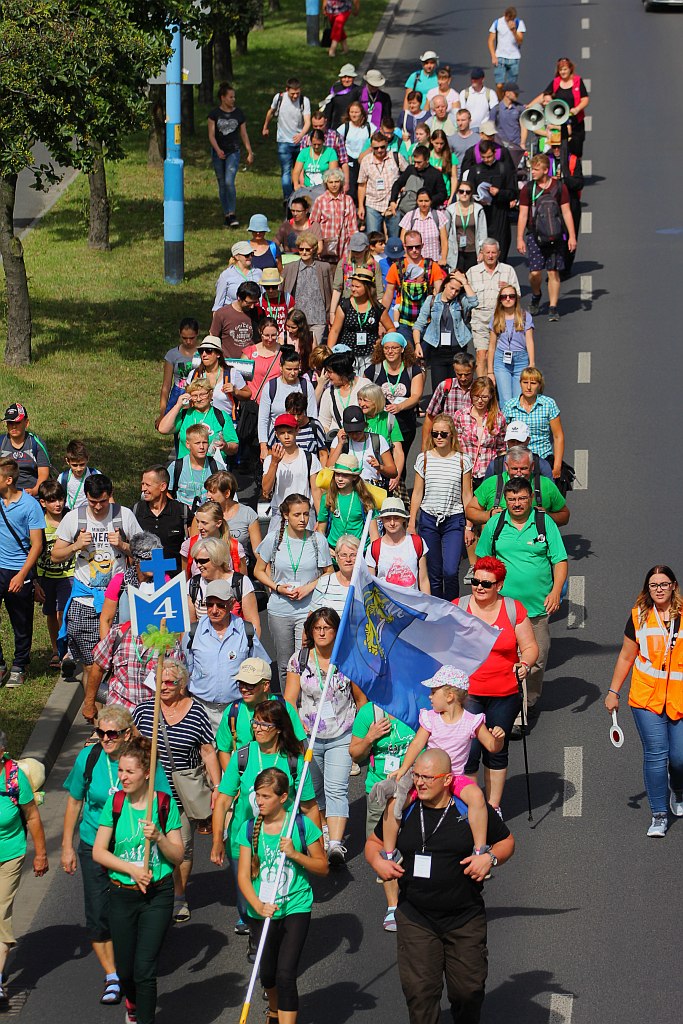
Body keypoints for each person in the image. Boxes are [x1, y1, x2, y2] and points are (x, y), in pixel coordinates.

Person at [365, 748, 514, 1024]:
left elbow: (507, 842)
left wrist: (490, 859)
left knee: (468, 992)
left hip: (464, 917)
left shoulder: (467, 808)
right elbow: (373, 845)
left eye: (427, 778)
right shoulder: (404, 808)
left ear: (447, 780)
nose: (419, 782)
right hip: (416, 917)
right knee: (420, 994)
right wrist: (378, 863)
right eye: (417, 776)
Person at [61, 707, 171, 1005]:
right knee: (98, 912)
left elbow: (162, 802)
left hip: (129, 844)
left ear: (126, 734)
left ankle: (134, 958)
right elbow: (74, 802)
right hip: (94, 843)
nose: (105, 738)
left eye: (112, 733)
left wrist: (160, 840)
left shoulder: (145, 761)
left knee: (130, 906)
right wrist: (67, 846)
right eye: (100, 732)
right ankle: (112, 975)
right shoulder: (89, 757)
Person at [92, 736, 184, 1024]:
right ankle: (132, 1003)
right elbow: (99, 852)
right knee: (127, 970)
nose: (123, 777)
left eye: (129, 772)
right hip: (122, 894)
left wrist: (158, 837)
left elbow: (178, 855)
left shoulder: (163, 804)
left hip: (157, 895)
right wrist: (131, 870)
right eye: (121, 771)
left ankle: (145, 1019)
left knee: (145, 969)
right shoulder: (116, 803)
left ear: (147, 773)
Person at [210, 701, 320, 937]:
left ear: (279, 728)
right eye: (255, 722)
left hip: (283, 843)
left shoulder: (294, 761)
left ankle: (276, 937)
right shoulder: (242, 757)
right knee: (247, 897)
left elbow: (309, 807)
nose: (257, 727)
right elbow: (222, 801)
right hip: (246, 840)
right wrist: (218, 839)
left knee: (282, 892)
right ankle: (256, 932)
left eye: (264, 723)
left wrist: (315, 848)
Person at [381, 666, 504, 863]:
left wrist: (498, 739)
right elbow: (416, 744)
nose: (429, 697)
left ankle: (480, 849)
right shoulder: (430, 718)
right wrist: (404, 770)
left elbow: (491, 745)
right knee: (394, 803)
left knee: (477, 797)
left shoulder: (472, 721)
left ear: (449, 696)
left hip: (455, 777)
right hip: (427, 777)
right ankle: (389, 854)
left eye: (433, 692)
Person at [237, 766, 328, 1022]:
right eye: (258, 795)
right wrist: (258, 904)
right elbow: (243, 876)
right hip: (261, 910)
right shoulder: (248, 828)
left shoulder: (301, 825)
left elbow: (323, 867)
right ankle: (274, 1012)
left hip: (295, 907)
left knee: (286, 974)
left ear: (283, 797)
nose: (260, 801)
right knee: (268, 974)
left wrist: (296, 855)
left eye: (266, 796)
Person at [476, 477, 568, 727]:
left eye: (522, 498)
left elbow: (559, 560)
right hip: (502, 608)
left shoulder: (544, 522)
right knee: (505, 658)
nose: (517, 503)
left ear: (530, 499)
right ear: (506, 500)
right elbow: (482, 561)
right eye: (512, 499)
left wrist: (556, 591)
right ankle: (515, 709)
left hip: (536, 609)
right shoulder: (495, 523)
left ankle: (530, 701)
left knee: (536, 659)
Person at [133, 660, 221, 921]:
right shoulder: (142, 712)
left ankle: (179, 895)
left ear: (182, 685)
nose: (164, 687)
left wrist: (217, 787)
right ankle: (147, 890)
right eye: (160, 681)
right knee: (143, 843)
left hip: (182, 796)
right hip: (149, 794)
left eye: (170, 682)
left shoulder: (196, 713)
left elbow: (208, 752)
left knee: (182, 848)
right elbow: (134, 748)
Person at [605, 565, 683, 838]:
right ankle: (659, 814)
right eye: (654, 585)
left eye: (664, 584)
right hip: (646, 697)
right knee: (656, 754)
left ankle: (679, 787)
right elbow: (627, 657)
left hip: (679, 698)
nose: (659, 589)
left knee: (680, 758)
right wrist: (613, 692)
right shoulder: (639, 616)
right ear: (647, 588)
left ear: (674, 586)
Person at [456, 556, 538, 813]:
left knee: (496, 748)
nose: (479, 587)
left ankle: (492, 807)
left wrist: (524, 665)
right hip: (468, 694)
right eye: (475, 581)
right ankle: (471, 805)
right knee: (468, 751)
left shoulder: (513, 610)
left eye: (486, 584)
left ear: (499, 586)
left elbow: (530, 647)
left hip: (504, 694)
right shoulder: (458, 607)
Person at [285, 607, 365, 866]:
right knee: (315, 792)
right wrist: (298, 735)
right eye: (317, 628)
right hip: (309, 736)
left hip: (342, 732)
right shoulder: (298, 659)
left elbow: (361, 700)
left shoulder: (348, 659)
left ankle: (335, 846)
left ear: (336, 631)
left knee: (336, 789)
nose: (321, 632)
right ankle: (323, 833)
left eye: (327, 628)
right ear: (310, 631)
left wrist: (363, 735)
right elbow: (289, 701)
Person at [51, 474, 141, 691]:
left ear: (110, 495)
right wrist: (75, 546)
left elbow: (145, 553)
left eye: (103, 501)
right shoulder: (74, 518)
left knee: (118, 664)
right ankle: (95, 716)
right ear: (86, 498)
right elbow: (55, 555)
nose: (98, 507)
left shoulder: (124, 515)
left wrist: (124, 545)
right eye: (93, 502)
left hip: (119, 601)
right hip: (85, 601)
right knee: (91, 666)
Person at [349, 700, 416, 931]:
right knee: (384, 851)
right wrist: (370, 738)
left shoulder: (415, 707)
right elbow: (355, 754)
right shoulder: (369, 712)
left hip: (413, 791)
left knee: (414, 847)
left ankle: (415, 898)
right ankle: (393, 906)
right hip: (379, 791)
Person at [255, 494, 333, 686]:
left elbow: (328, 572)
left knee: (303, 661)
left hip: (308, 609)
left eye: (306, 514)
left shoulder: (317, 540)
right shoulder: (274, 539)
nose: (302, 519)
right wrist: (277, 587)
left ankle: (303, 707)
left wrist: (308, 588)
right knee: (284, 664)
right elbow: (258, 570)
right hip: (280, 610)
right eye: (297, 514)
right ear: (286, 515)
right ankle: (289, 709)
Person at [182, 578, 269, 732]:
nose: (214, 610)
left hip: (238, 708)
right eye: (209, 604)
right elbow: (184, 672)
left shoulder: (246, 631)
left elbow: (263, 669)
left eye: (220, 605)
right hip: (201, 709)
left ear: (231, 604)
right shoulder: (193, 633)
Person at [0, 732, 49, 1007]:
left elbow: (31, 816)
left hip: (9, 854)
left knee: (0, 912)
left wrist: (41, 854)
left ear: (2, 751)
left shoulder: (14, 778)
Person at [409, 414, 472, 600]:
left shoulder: (463, 460)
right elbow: (417, 493)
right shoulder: (424, 459)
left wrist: (469, 525)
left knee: (451, 571)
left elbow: (467, 495)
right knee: (434, 573)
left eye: (443, 434)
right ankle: (438, 611)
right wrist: (412, 522)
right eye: (435, 433)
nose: (438, 437)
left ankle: (452, 607)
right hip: (429, 520)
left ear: (451, 435)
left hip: (454, 520)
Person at [215, 657, 306, 770]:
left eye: (250, 684)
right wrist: (234, 780)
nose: (243, 689)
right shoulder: (232, 711)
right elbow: (224, 750)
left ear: (266, 685)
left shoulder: (284, 708)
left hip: (280, 778)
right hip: (246, 783)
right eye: (241, 683)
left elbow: (298, 745)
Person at [517, 153, 577, 321]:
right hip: (535, 236)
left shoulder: (559, 187)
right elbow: (522, 215)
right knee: (535, 273)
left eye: (536, 169)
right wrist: (520, 238)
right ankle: (536, 294)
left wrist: (572, 236)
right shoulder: (528, 189)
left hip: (555, 235)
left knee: (553, 272)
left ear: (545, 170)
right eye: (531, 169)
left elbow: (566, 211)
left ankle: (552, 307)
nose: (532, 172)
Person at [467, 445, 569, 528]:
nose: (519, 473)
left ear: (532, 466)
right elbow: (470, 511)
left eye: (524, 468)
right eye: (515, 469)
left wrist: (546, 516)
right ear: (506, 466)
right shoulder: (491, 483)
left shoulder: (545, 484)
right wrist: (489, 515)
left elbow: (564, 515)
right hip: (499, 549)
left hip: (535, 549)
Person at [366, 332, 424, 472]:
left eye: (394, 348)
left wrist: (400, 407)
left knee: (400, 462)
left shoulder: (412, 370)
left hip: (404, 423)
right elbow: (365, 393)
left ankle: (399, 487)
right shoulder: (374, 370)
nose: (390, 351)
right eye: (386, 348)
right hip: (382, 423)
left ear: (402, 349)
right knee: (379, 461)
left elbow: (416, 395)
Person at [412, 270, 478, 387]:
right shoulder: (431, 300)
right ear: (445, 284)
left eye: (457, 290)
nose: (453, 293)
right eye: (451, 288)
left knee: (457, 386)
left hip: (457, 349)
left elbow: (474, 302)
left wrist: (464, 281)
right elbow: (419, 324)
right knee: (439, 388)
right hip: (438, 350)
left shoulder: (460, 300)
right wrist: (417, 344)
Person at [467, 237, 520, 378]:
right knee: (481, 355)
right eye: (487, 252)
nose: (490, 256)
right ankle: (483, 388)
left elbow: (518, 296)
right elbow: (466, 298)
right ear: (482, 253)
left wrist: (508, 289)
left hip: (501, 319)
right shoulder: (472, 272)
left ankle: (498, 385)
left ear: (499, 253)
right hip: (480, 320)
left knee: (499, 356)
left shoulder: (508, 271)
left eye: (493, 253)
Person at [36, 479, 74, 671]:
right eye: (52, 501)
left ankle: (66, 649)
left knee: (63, 612)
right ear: (43, 502)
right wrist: (35, 581)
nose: (57, 504)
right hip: (46, 575)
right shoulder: (38, 522)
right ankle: (55, 649)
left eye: (60, 499)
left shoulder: (70, 517)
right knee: (50, 613)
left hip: (69, 574)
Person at [382, 231, 447, 344]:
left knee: (426, 358)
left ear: (422, 245)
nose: (414, 250)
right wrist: (381, 320)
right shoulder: (396, 267)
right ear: (405, 246)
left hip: (427, 321)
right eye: (410, 247)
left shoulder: (432, 266)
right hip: (404, 321)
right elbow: (388, 295)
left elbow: (441, 294)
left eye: (417, 246)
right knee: (408, 356)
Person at [262, 414, 322, 534]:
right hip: (279, 514)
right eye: (282, 433)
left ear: (297, 431)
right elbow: (266, 490)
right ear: (276, 434)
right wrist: (274, 463)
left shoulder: (309, 457)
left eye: (289, 432)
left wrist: (320, 519)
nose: (286, 436)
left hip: (304, 515)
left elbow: (316, 490)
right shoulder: (270, 460)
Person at [501, 367, 565, 480]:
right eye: (525, 382)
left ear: (539, 385)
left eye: (533, 383)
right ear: (520, 383)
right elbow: (503, 435)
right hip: (518, 462)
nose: (529, 387)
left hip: (542, 459)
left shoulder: (548, 404)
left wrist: (557, 466)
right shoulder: (509, 406)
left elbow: (558, 436)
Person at [188, 537, 259, 636]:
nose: (198, 565)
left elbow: (253, 625)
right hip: (203, 646)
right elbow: (190, 627)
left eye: (203, 561)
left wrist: (250, 648)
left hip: (236, 644)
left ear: (217, 559)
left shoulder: (240, 582)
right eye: (196, 561)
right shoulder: (193, 584)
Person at [327, 268, 394, 371]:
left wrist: (382, 341)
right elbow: (335, 331)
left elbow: (391, 329)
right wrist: (330, 354)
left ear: (367, 287)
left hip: (370, 355)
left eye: (357, 286)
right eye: (352, 286)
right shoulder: (345, 305)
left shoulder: (377, 307)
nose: (353, 289)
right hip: (347, 354)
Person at [208, 82, 254, 228]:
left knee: (229, 181)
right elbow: (211, 135)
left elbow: (244, 134)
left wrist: (249, 151)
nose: (233, 99)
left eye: (234, 97)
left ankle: (232, 213)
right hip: (218, 152)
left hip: (233, 151)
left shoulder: (239, 114)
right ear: (223, 98)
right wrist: (217, 150)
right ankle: (226, 213)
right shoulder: (214, 114)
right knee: (222, 183)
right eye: (230, 97)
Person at [258, 347, 318, 459]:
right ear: (281, 367)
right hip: (277, 440)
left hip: (302, 440)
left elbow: (312, 415)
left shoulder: (306, 385)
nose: (292, 373)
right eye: (289, 369)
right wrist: (263, 446)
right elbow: (263, 419)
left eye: (296, 369)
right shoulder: (271, 387)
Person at [315, 454, 380, 554]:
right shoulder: (327, 497)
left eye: (345, 475)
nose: (340, 479)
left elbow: (374, 535)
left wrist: (372, 558)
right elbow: (321, 529)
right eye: (337, 474)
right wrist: (326, 549)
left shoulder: (365, 498)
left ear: (354, 477)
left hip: (359, 552)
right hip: (334, 551)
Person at [463, 140, 517, 258]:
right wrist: (477, 198)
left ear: (494, 153)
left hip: (500, 212)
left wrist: (499, 192)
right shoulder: (475, 170)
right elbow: (468, 191)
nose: (487, 160)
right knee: (482, 246)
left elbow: (513, 192)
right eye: (484, 157)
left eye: (489, 156)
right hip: (482, 212)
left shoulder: (504, 168)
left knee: (501, 246)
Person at [158, 380, 238, 459]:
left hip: (212, 468)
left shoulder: (221, 416)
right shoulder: (185, 414)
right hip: (186, 468)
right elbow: (163, 429)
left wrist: (226, 446)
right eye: (194, 396)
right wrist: (178, 405)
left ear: (210, 394)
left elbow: (234, 447)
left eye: (202, 395)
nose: (199, 399)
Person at [263, 78, 312, 203]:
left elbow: (308, 121)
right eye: (292, 94)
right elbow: (271, 112)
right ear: (286, 90)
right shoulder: (279, 98)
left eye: (297, 93)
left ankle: (300, 196)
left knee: (301, 171)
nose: (295, 96)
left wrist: (301, 135)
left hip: (299, 142)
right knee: (286, 171)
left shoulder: (304, 101)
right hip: (284, 141)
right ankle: (288, 198)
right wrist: (265, 126)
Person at [134, 465, 191, 573]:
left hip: (174, 580)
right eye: (142, 484)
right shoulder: (136, 510)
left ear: (163, 486)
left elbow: (193, 545)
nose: (143, 489)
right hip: (144, 581)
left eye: (147, 485)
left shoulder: (182, 511)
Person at [529, 57, 590, 157]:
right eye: (561, 70)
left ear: (570, 69)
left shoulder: (577, 81)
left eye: (565, 69)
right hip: (560, 121)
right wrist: (529, 105)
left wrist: (577, 109)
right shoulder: (556, 82)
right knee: (561, 148)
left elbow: (585, 99)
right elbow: (544, 95)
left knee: (576, 150)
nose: (563, 72)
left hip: (575, 121)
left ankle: (575, 169)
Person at [453, 377, 506, 490]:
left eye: (484, 397)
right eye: (476, 396)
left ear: (491, 396)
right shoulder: (460, 415)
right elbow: (454, 445)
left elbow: (501, 448)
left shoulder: (499, 418)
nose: (480, 401)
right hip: (466, 472)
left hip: (489, 472)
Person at [367, 497, 429, 592]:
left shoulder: (417, 542)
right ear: (382, 520)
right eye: (387, 518)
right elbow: (370, 584)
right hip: (385, 604)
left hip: (412, 604)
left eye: (396, 518)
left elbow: (423, 580)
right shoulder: (374, 548)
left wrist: (427, 604)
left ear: (403, 519)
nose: (392, 523)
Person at [281, 234, 334, 342]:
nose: (304, 252)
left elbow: (330, 290)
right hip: (297, 318)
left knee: (314, 351)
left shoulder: (324, 267)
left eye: (307, 249)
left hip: (318, 317)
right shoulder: (289, 267)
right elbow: (282, 290)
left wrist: (330, 314)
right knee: (297, 350)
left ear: (313, 250)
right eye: (301, 249)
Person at [328, 405, 397, 487]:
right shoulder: (339, 440)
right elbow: (328, 468)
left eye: (358, 432)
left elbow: (393, 472)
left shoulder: (378, 440)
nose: (354, 436)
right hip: (347, 490)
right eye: (350, 432)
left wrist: (380, 467)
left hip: (372, 490)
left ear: (365, 426)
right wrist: (340, 444)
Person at [487, 284, 535, 404]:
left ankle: (517, 423)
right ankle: (506, 423)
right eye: (504, 297)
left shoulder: (524, 316)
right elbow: (492, 346)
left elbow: (529, 341)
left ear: (516, 299)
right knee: (506, 399)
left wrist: (531, 363)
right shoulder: (496, 318)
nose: (508, 299)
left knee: (519, 398)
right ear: (500, 300)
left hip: (521, 360)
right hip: (501, 360)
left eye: (511, 296)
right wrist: (490, 371)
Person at [203, 471, 261, 568]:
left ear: (227, 493)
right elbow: (196, 547)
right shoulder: (203, 514)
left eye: (212, 492)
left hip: (239, 569)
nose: (208, 496)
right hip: (212, 569)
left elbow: (258, 553)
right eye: (207, 491)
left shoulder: (247, 514)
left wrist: (270, 580)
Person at [165, 425, 227, 513]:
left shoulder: (217, 468)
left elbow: (226, 495)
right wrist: (176, 509)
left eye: (204, 442)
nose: (201, 447)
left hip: (209, 518)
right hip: (182, 517)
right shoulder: (176, 466)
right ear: (188, 444)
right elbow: (165, 491)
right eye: (197, 443)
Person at [422, 350, 475, 447]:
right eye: (459, 374)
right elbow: (430, 417)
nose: (463, 378)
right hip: (446, 441)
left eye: (467, 374)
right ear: (454, 370)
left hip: (470, 444)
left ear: (474, 370)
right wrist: (425, 448)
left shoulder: (478, 389)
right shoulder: (445, 386)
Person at [357, 131, 405, 238]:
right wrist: (361, 206)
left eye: (382, 147)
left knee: (394, 238)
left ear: (387, 145)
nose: (379, 150)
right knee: (373, 238)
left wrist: (403, 186)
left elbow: (408, 174)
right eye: (376, 148)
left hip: (393, 204)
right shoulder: (366, 161)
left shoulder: (396, 157)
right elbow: (362, 185)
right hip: (373, 204)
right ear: (371, 147)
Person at [188, 336, 250, 414]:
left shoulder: (231, 374)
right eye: (201, 351)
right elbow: (187, 398)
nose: (204, 354)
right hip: (199, 421)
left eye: (208, 351)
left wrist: (235, 391)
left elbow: (248, 394)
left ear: (218, 354)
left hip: (225, 422)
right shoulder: (194, 374)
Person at [357, 384, 405, 484]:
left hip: (383, 473)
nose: (361, 404)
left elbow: (398, 452)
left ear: (376, 401)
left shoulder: (389, 419)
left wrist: (396, 476)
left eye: (365, 400)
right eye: (360, 399)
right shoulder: (357, 417)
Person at [0, 403, 50, 498]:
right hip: (4, 496)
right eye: (10, 423)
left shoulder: (36, 443)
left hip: (32, 496)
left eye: (17, 422)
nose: (13, 426)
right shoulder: (1, 442)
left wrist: (35, 490)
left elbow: (44, 473)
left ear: (26, 423)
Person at [310, 168, 358, 265]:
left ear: (341, 182)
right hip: (325, 248)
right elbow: (314, 224)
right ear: (326, 183)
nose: (334, 185)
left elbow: (353, 227)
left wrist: (353, 247)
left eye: (336, 181)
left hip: (343, 247)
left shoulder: (348, 200)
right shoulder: (320, 200)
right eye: (330, 182)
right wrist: (318, 244)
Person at [317, 349, 372, 435]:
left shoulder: (365, 385)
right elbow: (324, 422)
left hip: (362, 439)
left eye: (330, 372)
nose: (327, 375)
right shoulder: (328, 393)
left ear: (341, 372)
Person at [157, 319, 201, 423]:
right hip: (178, 393)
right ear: (179, 334)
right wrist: (162, 413)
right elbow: (166, 386)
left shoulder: (204, 353)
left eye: (192, 338)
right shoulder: (172, 354)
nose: (188, 342)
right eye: (184, 338)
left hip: (198, 394)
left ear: (198, 333)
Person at [482, 419, 553, 480]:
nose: (515, 444)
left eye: (519, 441)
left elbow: (551, 492)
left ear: (528, 440)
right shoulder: (495, 465)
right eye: (512, 441)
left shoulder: (541, 465)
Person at [388, 146, 448, 216]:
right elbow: (397, 184)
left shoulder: (435, 174)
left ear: (427, 160)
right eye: (415, 162)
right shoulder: (411, 169)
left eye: (419, 162)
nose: (416, 165)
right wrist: (393, 201)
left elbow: (442, 194)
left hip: (424, 213)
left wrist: (427, 201)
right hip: (404, 210)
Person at [444, 180, 487, 273]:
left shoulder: (478, 209)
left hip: (473, 251)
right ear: (457, 192)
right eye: (461, 191)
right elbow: (445, 234)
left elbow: (483, 232)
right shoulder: (450, 210)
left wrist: (482, 251)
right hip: (456, 251)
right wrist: (444, 253)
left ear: (471, 193)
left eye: (467, 192)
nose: (464, 194)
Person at [210, 280, 261, 357]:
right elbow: (213, 338)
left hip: (252, 361)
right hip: (228, 362)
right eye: (248, 303)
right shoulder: (222, 314)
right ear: (239, 298)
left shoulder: (258, 312)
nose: (252, 306)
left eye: (255, 302)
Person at [311, 532, 358, 612]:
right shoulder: (324, 583)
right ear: (336, 557)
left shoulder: (366, 584)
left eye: (353, 555)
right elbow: (312, 616)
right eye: (343, 555)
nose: (348, 559)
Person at [336, 101, 373, 202]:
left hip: (365, 160)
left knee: (365, 186)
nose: (354, 114)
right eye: (351, 112)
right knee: (351, 189)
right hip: (349, 161)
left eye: (356, 112)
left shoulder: (369, 127)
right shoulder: (344, 128)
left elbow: (375, 142)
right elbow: (337, 145)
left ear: (362, 113)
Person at [399, 190, 448, 264]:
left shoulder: (438, 216)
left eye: (426, 201)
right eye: (420, 201)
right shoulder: (409, 216)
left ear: (431, 201)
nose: (423, 204)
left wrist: (443, 258)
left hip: (434, 262)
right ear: (417, 201)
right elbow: (403, 240)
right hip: (415, 262)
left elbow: (444, 241)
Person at [212, 241, 263, 311]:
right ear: (236, 256)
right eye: (247, 255)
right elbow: (218, 305)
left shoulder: (259, 273)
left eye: (252, 254)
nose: (250, 257)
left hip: (254, 314)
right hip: (232, 315)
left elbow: (263, 299)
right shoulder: (226, 275)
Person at [488, 7, 526, 99]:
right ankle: (501, 101)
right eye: (509, 18)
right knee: (499, 85)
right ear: (505, 15)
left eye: (512, 18)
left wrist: (513, 31)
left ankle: (510, 103)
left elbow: (520, 41)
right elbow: (490, 40)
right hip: (500, 57)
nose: (510, 20)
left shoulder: (519, 23)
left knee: (511, 86)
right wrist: (493, 56)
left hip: (514, 58)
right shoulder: (497, 23)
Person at [56, 440, 102, 511]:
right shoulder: (62, 478)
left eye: (82, 464)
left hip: (90, 513)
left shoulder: (96, 475)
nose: (78, 469)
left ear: (87, 459)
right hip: (69, 513)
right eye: (74, 465)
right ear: (67, 461)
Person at [256, 272, 295, 341]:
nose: (271, 290)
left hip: (285, 337)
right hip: (267, 338)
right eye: (267, 287)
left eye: (274, 287)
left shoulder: (287, 297)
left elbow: (292, 318)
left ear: (278, 285)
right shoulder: (260, 300)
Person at [321, 62, 360, 128]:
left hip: (353, 126)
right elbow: (328, 111)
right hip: (336, 126)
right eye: (344, 77)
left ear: (354, 78)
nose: (346, 80)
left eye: (349, 77)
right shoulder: (335, 89)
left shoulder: (358, 91)